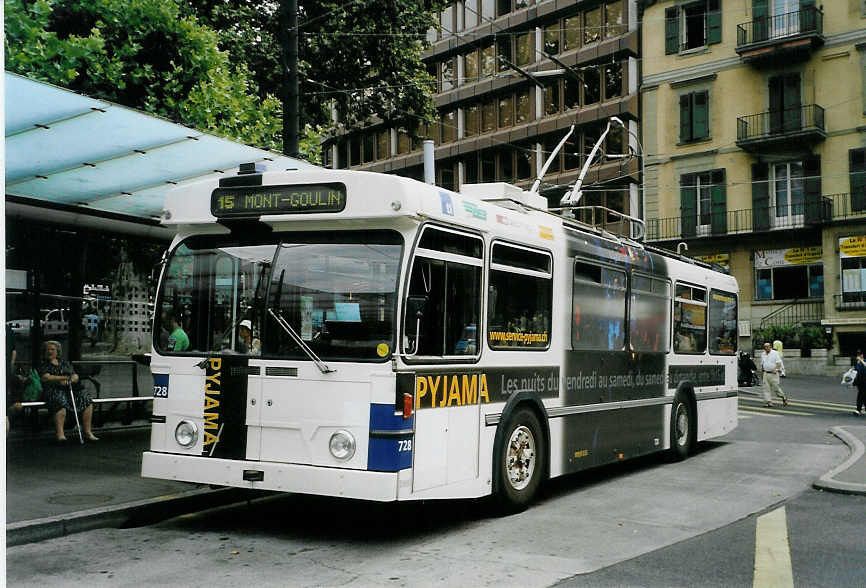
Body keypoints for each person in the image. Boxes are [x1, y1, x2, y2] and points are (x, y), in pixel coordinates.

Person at [39, 340, 98, 442]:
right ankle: (60, 435)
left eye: (52, 349)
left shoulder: (64, 363)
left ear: (57, 351)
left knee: (86, 399)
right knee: (60, 400)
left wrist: (71, 379)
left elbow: (74, 375)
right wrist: (62, 379)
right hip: (53, 390)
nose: (50, 352)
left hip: (68, 389)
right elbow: (46, 377)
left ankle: (87, 432)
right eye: (47, 350)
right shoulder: (43, 364)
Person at [760, 341, 788, 407]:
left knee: (776, 388)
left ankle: (783, 397)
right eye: (765, 347)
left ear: (770, 347)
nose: (766, 348)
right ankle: (769, 402)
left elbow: (779, 363)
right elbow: (762, 364)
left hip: (773, 374)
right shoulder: (763, 354)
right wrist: (761, 373)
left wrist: (776, 369)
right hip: (766, 373)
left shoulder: (775, 353)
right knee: (766, 388)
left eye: (767, 346)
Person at [854, 350, 866, 416]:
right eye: (858, 355)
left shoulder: (864, 361)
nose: (859, 356)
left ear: (862, 355)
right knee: (861, 395)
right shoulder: (857, 362)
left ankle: (858, 410)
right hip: (860, 382)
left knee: (862, 396)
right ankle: (858, 410)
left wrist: (861, 361)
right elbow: (856, 371)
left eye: (860, 354)